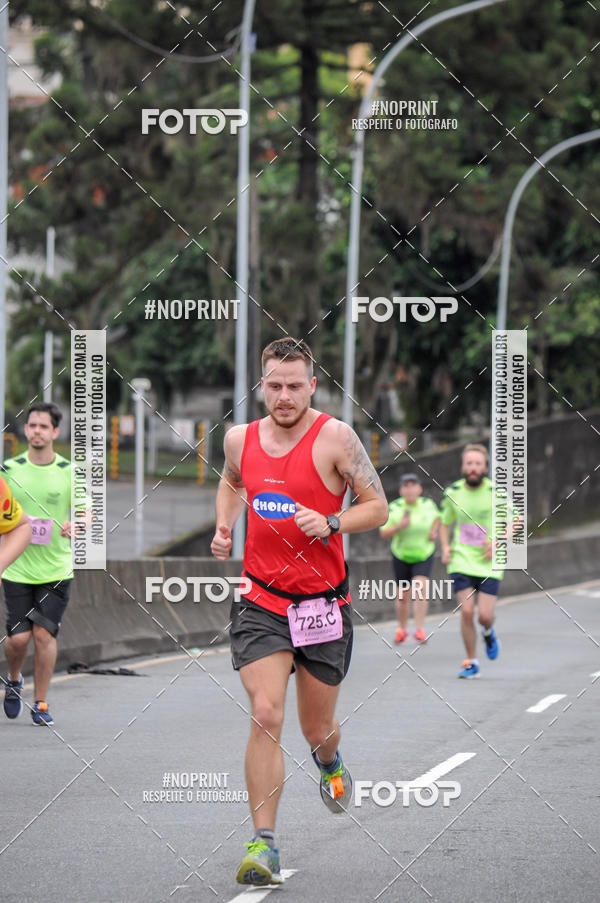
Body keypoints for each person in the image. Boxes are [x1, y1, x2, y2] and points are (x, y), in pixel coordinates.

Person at [211, 337, 388, 887]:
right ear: (260, 384)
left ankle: (330, 762)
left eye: (294, 385)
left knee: (317, 728)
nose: (283, 395)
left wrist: (332, 522)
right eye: (274, 384)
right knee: (265, 712)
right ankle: (263, 844)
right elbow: (232, 481)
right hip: (261, 598)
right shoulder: (239, 438)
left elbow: (377, 507)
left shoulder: (336, 437)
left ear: (312, 385)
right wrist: (224, 525)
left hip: (323, 605)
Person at [1, 402, 75, 725]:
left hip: (56, 568)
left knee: (44, 635)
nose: (37, 431)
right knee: (18, 639)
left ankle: (41, 702)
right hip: (16, 566)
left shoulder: (69, 472)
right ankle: (14, 678)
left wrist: (78, 522)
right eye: (32, 426)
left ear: (55, 432)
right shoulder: (8, 470)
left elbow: (86, 509)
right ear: (25, 430)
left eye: (44, 426)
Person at [439, 443, 502, 679]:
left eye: (477, 464)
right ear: (463, 467)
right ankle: (472, 662)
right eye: (469, 463)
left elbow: (516, 520)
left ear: (485, 467)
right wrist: (445, 547)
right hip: (461, 559)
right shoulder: (452, 492)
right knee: (466, 612)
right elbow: (444, 522)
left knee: (484, 615)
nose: (473, 468)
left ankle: (488, 631)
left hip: (489, 562)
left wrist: (497, 541)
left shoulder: (496, 492)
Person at [379, 473, 440, 644]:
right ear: (401, 490)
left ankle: (419, 629)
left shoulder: (428, 505)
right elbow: (384, 532)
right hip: (401, 555)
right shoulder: (395, 507)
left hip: (423, 553)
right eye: (406, 486)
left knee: (421, 588)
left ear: (419, 489)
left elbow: (437, 519)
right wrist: (400, 526)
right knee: (402, 596)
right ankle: (402, 629)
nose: (410, 489)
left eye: (413, 485)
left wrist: (433, 531)